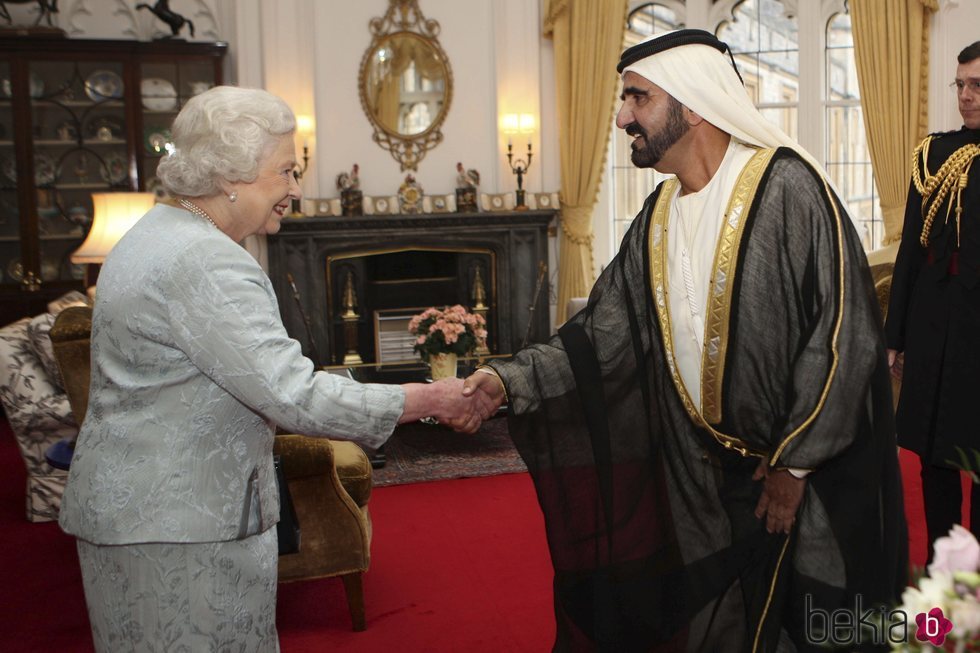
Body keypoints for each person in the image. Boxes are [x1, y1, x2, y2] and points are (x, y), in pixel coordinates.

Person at [464, 30, 907, 652]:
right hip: (704, 481)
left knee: (816, 626)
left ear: (692, 104)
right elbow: (601, 334)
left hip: (806, 481)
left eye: (637, 98)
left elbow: (843, 338)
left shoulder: (789, 188)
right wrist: (507, 379)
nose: (622, 117)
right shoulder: (658, 216)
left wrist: (794, 463)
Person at [57, 86, 494, 652]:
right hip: (183, 529)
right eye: (286, 171)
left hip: (137, 514)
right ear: (229, 176)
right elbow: (294, 395)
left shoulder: (152, 234)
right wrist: (430, 398)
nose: (295, 188)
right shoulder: (207, 260)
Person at [886, 41, 980, 559]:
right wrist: (895, 335)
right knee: (934, 453)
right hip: (933, 324)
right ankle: (943, 564)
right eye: (960, 85)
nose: (965, 96)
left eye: (977, 86)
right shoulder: (934, 153)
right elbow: (910, 251)